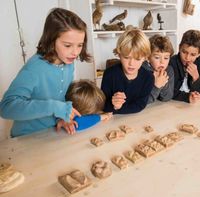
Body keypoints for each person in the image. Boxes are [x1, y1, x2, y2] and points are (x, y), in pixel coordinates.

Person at [0, 8, 92, 137]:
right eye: (67, 45)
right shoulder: (35, 68)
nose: (75, 52)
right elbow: (6, 108)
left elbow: (59, 97)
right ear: (51, 40)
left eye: (80, 45)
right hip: (27, 138)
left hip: (53, 132)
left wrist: (61, 118)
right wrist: (54, 107)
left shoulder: (68, 62)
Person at [101, 26, 154, 114]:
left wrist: (117, 108)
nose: (131, 64)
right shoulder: (109, 74)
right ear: (119, 54)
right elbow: (102, 105)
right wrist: (113, 105)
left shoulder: (148, 78)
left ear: (145, 57)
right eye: (126, 57)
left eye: (137, 59)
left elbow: (140, 105)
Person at [170, 29, 200, 103]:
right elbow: (170, 91)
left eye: (193, 54)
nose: (187, 58)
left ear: (198, 54)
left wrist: (196, 78)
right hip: (173, 104)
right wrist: (187, 97)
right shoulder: (172, 63)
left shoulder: (198, 63)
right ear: (179, 48)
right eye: (184, 52)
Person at [143, 34, 174, 103]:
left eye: (166, 58)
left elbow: (167, 97)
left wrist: (164, 82)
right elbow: (143, 100)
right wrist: (156, 86)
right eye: (157, 57)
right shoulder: (143, 70)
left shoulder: (169, 70)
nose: (162, 62)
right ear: (148, 58)